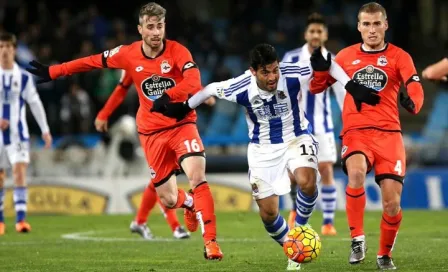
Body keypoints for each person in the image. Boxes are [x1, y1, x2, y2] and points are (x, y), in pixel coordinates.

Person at [27, 2, 222, 259]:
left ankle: (210, 243)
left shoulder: (178, 51)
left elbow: (194, 81)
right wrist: (54, 71)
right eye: (150, 27)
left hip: (182, 125)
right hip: (151, 133)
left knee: (197, 177)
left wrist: (170, 96)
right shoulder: (128, 54)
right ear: (140, 29)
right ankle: (189, 204)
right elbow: (92, 61)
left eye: (160, 26)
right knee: (168, 199)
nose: (155, 32)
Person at [157, 43, 376, 271]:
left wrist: (351, 85)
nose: (272, 77)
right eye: (265, 72)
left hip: (296, 137)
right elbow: (211, 89)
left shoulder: (292, 72)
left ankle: (299, 229)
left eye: (274, 70)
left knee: (307, 181)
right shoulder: (241, 87)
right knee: (269, 213)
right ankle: (291, 246)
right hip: (262, 149)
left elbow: (329, 63)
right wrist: (184, 106)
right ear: (253, 71)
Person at [309, 2, 424, 270]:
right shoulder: (346, 57)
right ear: (359, 27)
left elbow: (415, 86)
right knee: (356, 173)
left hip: (389, 135)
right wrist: (319, 69)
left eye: (376, 24)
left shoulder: (399, 56)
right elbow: (317, 87)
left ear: (385, 25)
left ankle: (384, 255)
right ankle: (357, 239)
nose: (371, 30)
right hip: (356, 131)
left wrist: (413, 103)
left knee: (392, 204)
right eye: (366, 24)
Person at [95, 70, 190, 240]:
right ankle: (174, 226)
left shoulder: (144, 88)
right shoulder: (126, 95)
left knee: (158, 182)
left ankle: (140, 222)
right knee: (162, 181)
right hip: (147, 137)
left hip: (156, 134)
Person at [282, 13, 345, 235]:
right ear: (306, 34)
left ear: (325, 35)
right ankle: (293, 210)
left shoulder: (334, 60)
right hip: (296, 125)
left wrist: (348, 122)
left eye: (320, 31)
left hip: (323, 124)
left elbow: (341, 93)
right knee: (292, 173)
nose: (316, 35)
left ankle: (328, 222)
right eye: (312, 31)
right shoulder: (291, 58)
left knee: (326, 169)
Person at [0, 32, 52, 235]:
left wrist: (45, 130)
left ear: (14, 50)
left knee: (19, 172)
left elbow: (35, 103)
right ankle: (1, 220)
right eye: (1, 46)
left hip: (18, 134)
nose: (4, 50)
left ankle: (21, 220)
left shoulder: (22, 77)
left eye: (8, 47)